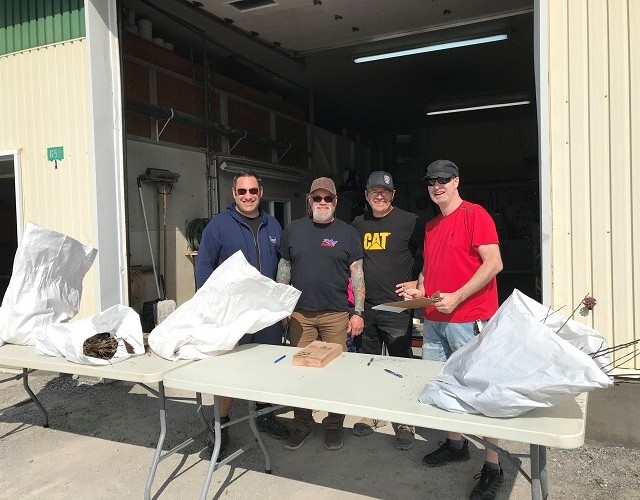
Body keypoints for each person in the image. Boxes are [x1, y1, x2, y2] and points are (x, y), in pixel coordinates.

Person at [401, 160, 504, 500]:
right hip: (434, 321)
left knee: (480, 390)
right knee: (444, 385)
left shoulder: (476, 215)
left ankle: (492, 466)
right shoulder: (431, 226)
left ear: (457, 181)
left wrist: (458, 295)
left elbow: (494, 263)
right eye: (431, 180)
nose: (437, 185)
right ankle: (456, 443)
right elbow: (430, 270)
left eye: (443, 179)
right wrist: (421, 291)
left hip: (469, 319)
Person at [196, 170, 290, 454]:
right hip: (232, 315)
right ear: (233, 194)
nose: (248, 196)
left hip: (266, 315)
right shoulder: (218, 226)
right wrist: (208, 308)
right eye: (242, 192)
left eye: (252, 191)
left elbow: (283, 266)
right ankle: (220, 425)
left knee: (266, 366)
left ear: (261, 192)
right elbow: (204, 267)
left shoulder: (273, 225)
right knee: (228, 371)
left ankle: (264, 415)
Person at [276, 176, 365, 451]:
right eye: (317, 198)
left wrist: (358, 312)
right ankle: (302, 424)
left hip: (336, 315)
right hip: (300, 315)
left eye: (328, 198)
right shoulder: (293, 229)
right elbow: (284, 268)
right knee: (300, 372)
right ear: (309, 201)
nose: (322, 202)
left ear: (336, 201)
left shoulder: (348, 233)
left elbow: (357, 274)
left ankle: (334, 424)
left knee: (335, 372)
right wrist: (282, 305)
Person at [350, 171, 423, 450]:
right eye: (373, 192)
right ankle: (372, 414)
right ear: (366, 196)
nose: (379, 196)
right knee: (369, 362)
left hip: (397, 307)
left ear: (392, 195)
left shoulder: (410, 222)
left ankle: (404, 421)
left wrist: (419, 283)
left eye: (385, 192)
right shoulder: (358, 224)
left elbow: (433, 254)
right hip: (366, 306)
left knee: (400, 363)